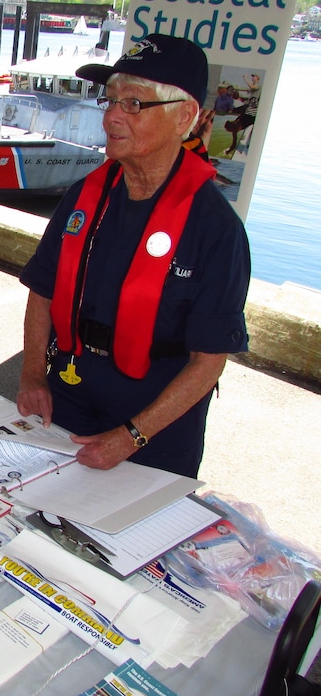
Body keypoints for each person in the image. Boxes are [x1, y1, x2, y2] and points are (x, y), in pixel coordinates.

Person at [17, 34, 250, 479]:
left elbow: (209, 362)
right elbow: (42, 291)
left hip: (155, 424)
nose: (111, 117)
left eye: (133, 104)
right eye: (110, 101)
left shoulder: (216, 230)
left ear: (184, 117)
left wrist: (132, 436)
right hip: (69, 394)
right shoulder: (83, 198)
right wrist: (31, 374)